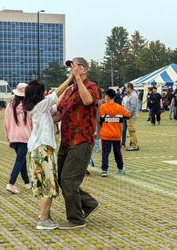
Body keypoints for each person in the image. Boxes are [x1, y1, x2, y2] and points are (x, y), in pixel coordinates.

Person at [56, 57, 100, 230]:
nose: (73, 69)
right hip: (66, 140)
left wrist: (79, 80)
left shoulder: (91, 86)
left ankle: (76, 219)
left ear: (86, 69)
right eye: (71, 67)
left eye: (77, 66)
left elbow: (88, 100)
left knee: (69, 180)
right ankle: (88, 203)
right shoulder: (68, 90)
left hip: (81, 140)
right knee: (61, 178)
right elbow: (59, 113)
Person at [24, 75, 71, 230]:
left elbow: (56, 107)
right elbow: (56, 94)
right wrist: (71, 78)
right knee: (49, 185)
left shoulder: (36, 107)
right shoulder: (41, 105)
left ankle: (44, 215)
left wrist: (68, 91)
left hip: (34, 149)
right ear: (40, 93)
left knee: (42, 185)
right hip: (43, 149)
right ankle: (43, 220)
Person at [99, 89, 131, 177]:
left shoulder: (103, 107)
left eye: (105, 95)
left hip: (105, 134)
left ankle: (104, 170)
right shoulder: (119, 107)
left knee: (105, 153)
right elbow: (128, 115)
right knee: (117, 152)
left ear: (108, 96)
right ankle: (120, 168)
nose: (104, 97)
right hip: (116, 135)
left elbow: (100, 120)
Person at [124, 83, 139, 151]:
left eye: (126, 88)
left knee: (132, 131)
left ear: (130, 88)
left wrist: (129, 114)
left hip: (131, 116)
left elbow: (133, 107)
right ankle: (132, 143)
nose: (125, 89)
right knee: (130, 131)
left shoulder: (133, 96)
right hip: (128, 116)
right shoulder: (130, 95)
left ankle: (134, 145)